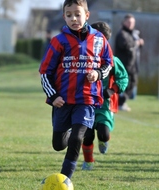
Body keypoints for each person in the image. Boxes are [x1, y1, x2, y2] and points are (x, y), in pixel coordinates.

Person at [39, 0, 113, 179]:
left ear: (86, 15)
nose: (74, 18)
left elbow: (108, 64)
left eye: (77, 14)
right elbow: (44, 72)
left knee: (77, 139)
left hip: (86, 99)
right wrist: (53, 96)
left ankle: (65, 178)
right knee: (58, 144)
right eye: (69, 15)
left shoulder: (99, 39)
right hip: (63, 101)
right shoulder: (59, 41)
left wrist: (97, 73)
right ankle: (70, 129)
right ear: (64, 16)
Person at [81, 21, 129, 170]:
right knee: (87, 135)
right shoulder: (83, 57)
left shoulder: (113, 60)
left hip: (104, 105)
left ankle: (104, 139)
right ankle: (88, 162)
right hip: (86, 102)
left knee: (103, 133)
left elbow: (124, 78)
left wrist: (112, 90)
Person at [115, 14, 144, 111]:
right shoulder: (122, 34)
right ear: (124, 22)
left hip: (132, 65)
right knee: (123, 84)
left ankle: (122, 102)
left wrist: (139, 43)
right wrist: (136, 43)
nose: (130, 24)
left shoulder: (132, 34)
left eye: (132, 22)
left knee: (133, 83)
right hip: (124, 65)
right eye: (128, 22)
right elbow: (126, 46)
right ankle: (119, 103)